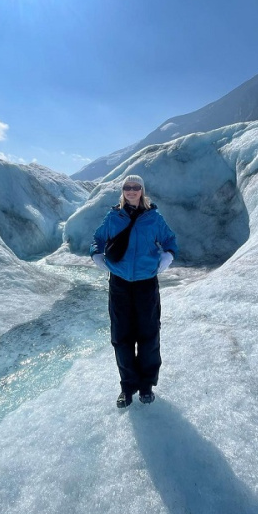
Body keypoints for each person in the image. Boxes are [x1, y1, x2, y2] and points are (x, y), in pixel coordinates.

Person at [90, 175, 178, 409]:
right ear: (123, 191)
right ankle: (127, 387)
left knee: (148, 334)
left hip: (146, 283)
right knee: (122, 336)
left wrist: (167, 257)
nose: (131, 191)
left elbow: (170, 239)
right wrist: (97, 255)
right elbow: (98, 238)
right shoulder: (114, 216)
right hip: (119, 282)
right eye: (127, 187)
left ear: (142, 190)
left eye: (135, 187)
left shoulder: (154, 218)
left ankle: (147, 385)